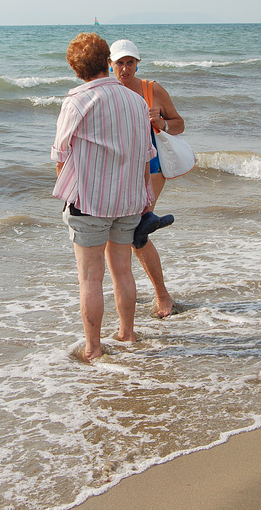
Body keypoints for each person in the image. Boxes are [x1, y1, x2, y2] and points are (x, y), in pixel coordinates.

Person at [51, 33, 156, 363]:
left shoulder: (77, 101)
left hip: (90, 202)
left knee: (90, 278)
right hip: (127, 200)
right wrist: (144, 198)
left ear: (76, 68)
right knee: (123, 272)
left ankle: (94, 348)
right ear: (107, 61)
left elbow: (60, 154)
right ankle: (127, 332)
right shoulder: (135, 101)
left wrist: (66, 190)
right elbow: (145, 154)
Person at [109, 39, 185, 318]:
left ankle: (161, 295)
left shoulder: (152, 89)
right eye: (120, 63)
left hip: (151, 168)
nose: (125, 68)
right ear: (110, 64)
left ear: (137, 63)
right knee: (119, 233)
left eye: (130, 62)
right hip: (118, 168)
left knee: (136, 231)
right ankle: (127, 291)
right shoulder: (107, 91)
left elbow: (179, 123)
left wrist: (162, 123)